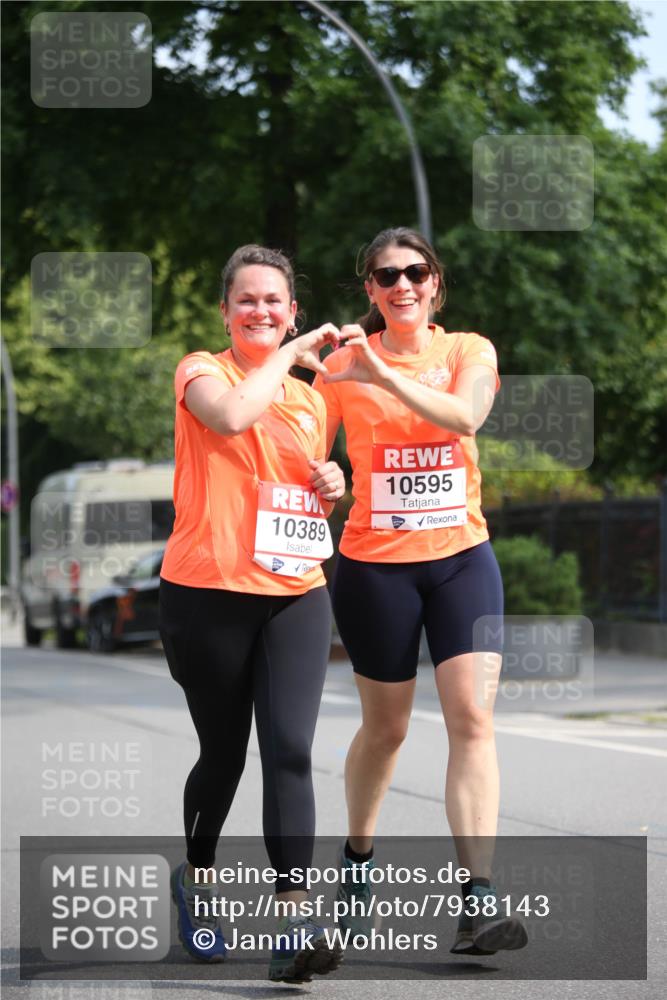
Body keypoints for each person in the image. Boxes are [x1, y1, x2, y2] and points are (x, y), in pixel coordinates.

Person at [313, 227, 527, 956]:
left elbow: (465, 416)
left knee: (472, 717)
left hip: (462, 558)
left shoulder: (467, 350)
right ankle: (357, 869)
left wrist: (377, 369)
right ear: (368, 291)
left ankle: (477, 896)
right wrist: (327, 479)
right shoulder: (340, 366)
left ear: (434, 283)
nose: (401, 285)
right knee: (388, 729)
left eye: (414, 272)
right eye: (384, 276)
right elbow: (303, 455)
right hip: (375, 565)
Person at [159, 245, 346, 983]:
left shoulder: (313, 399)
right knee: (224, 754)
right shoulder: (201, 371)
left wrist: (328, 481)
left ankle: (293, 923)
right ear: (225, 312)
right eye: (248, 300)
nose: (262, 311)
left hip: (296, 590)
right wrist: (294, 354)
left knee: (291, 751)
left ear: (291, 307)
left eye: (275, 300)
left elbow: (297, 487)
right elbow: (234, 419)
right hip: (206, 592)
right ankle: (198, 880)